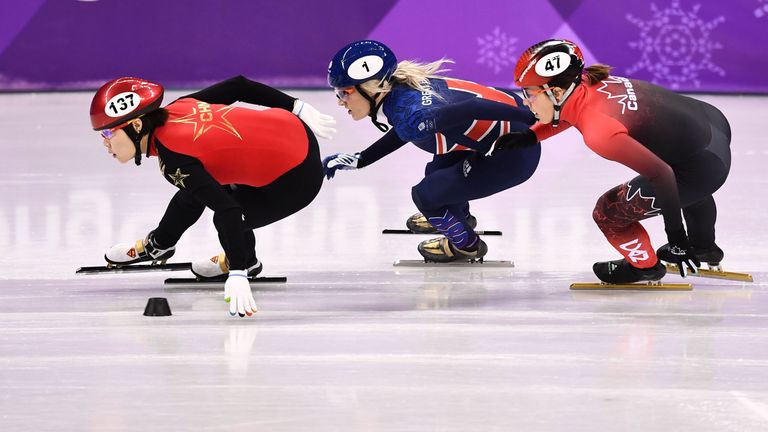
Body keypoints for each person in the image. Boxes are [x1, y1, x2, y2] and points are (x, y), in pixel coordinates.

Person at [89, 75, 336, 317]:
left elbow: (229, 210)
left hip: (296, 179)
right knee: (197, 186)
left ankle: (246, 262)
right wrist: (296, 106)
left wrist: (238, 272)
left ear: (137, 125)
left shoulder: (174, 161)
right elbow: (238, 86)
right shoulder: (180, 106)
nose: (105, 142)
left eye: (109, 133)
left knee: (222, 215)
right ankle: (160, 245)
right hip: (294, 130)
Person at [492, 39, 731, 283]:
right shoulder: (585, 81)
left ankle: (645, 267)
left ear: (557, 92)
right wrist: (531, 135)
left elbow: (663, 175)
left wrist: (676, 239)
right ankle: (704, 247)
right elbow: (568, 112)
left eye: (530, 93)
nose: (525, 101)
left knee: (608, 212)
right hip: (711, 125)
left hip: (701, 168)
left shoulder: (601, 135)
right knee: (689, 178)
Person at [323, 40, 540, 262]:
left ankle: (467, 246)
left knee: (425, 196)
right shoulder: (402, 92)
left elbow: (470, 108)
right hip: (506, 138)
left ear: (370, 87)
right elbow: (406, 129)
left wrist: (532, 117)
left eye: (344, 92)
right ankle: (458, 215)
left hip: (515, 155)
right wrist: (362, 159)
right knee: (437, 170)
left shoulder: (414, 112)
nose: (341, 102)